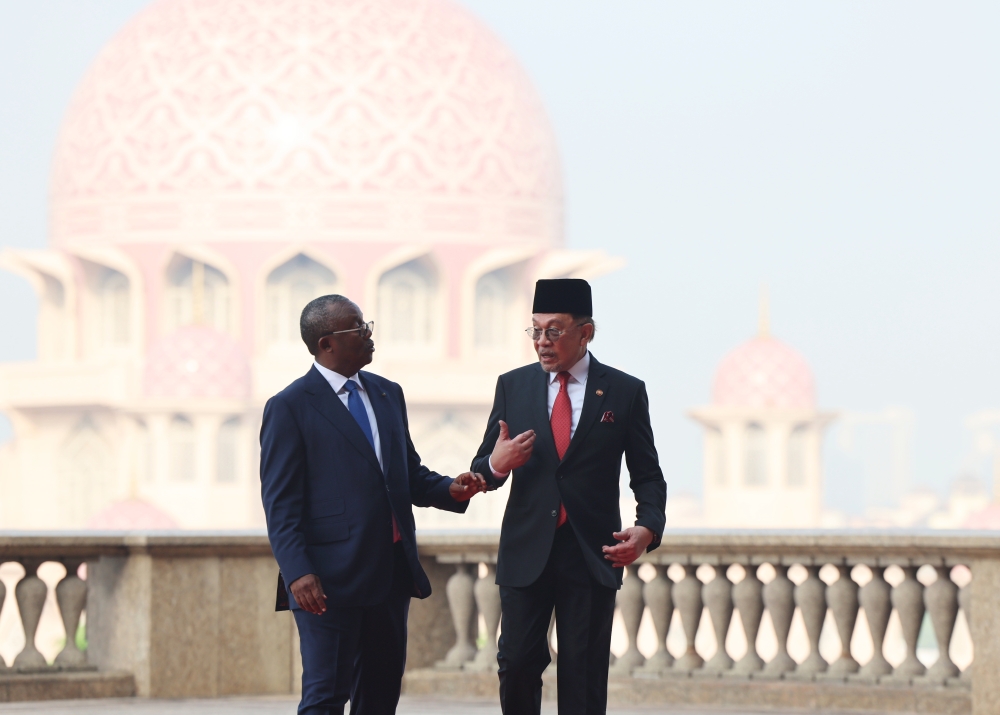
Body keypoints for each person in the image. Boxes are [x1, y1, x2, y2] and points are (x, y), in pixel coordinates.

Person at [260, 294, 487, 715]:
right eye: (358, 328)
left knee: (380, 697)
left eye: (366, 325)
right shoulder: (288, 408)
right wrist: (298, 573)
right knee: (326, 697)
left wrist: (452, 489)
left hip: (389, 575)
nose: (368, 334)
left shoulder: (387, 394)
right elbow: (280, 504)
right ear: (327, 343)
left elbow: (407, 475)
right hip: (327, 583)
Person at [470, 278, 667, 715]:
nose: (542, 342)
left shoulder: (624, 391)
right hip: (526, 551)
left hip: (591, 552)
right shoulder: (512, 386)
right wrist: (497, 463)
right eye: (535, 330)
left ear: (586, 332)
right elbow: (485, 468)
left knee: (582, 675)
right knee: (517, 663)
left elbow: (649, 476)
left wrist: (647, 529)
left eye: (554, 331)